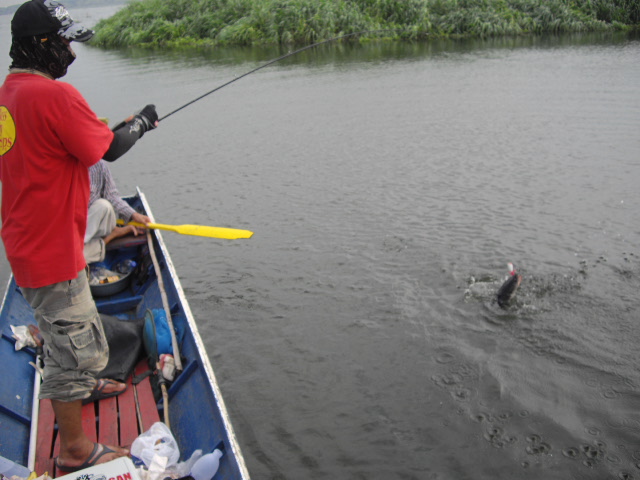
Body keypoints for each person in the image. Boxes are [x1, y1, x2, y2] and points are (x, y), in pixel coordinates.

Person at [0, 0, 158, 471]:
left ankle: (86, 387)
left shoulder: (9, 94)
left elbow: (65, 145)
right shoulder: (54, 97)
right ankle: (74, 449)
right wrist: (142, 124)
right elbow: (107, 147)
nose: (70, 50)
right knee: (73, 352)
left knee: (63, 332)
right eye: (65, 41)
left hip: (26, 245)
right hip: (53, 252)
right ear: (42, 44)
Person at [84, 159, 151, 264]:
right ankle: (107, 239)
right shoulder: (62, 166)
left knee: (104, 205)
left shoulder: (99, 166)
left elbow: (112, 196)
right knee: (73, 259)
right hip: (71, 227)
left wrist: (133, 215)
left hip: (93, 223)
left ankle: (81, 246)